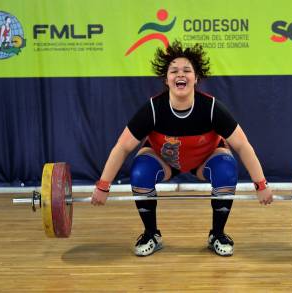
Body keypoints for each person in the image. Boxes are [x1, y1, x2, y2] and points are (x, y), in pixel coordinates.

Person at [91, 40, 273, 257]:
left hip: (205, 159)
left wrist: (261, 184)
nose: (180, 74)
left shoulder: (212, 108)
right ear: (166, 79)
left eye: (187, 70)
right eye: (174, 71)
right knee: (140, 171)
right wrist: (103, 186)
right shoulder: (153, 109)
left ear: (196, 78)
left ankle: (217, 234)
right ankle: (151, 234)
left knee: (226, 168)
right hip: (163, 160)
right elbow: (121, 148)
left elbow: (243, 146)